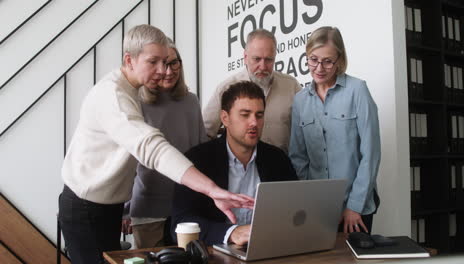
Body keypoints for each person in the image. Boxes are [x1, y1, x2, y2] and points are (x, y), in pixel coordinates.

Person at [58, 25, 252, 264]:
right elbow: (152, 148)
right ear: (129, 60)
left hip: (108, 206)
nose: (162, 71)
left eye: (166, 61)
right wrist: (211, 190)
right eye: (153, 62)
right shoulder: (112, 96)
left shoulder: (131, 90)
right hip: (85, 208)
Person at [172, 81, 297, 246]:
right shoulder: (198, 160)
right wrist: (232, 233)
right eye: (245, 114)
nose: (254, 122)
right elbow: (181, 222)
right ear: (225, 118)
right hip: (215, 251)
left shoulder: (277, 159)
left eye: (259, 115)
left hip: (268, 248)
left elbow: (294, 211)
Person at [289, 26, 381, 234]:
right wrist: (310, 201)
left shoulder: (357, 91)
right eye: (313, 59)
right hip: (318, 208)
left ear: (339, 59)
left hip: (355, 207)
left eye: (327, 61)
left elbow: (371, 154)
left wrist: (354, 206)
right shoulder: (300, 101)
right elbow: (298, 157)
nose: (319, 68)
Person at [121, 39, 208, 248]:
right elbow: (127, 160)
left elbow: (201, 150)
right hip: (149, 210)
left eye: (174, 63)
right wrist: (124, 210)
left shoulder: (191, 101)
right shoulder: (137, 103)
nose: (168, 71)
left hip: (186, 207)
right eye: (163, 64)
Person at [203, 29, 301, 152]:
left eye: (269, 60)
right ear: (245, 57)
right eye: (257, 59)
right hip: (239, 168)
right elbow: (206, 133)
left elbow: (305, 132)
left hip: (282, 167)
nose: (263, 66)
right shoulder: (226, 88)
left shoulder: (291, 86)